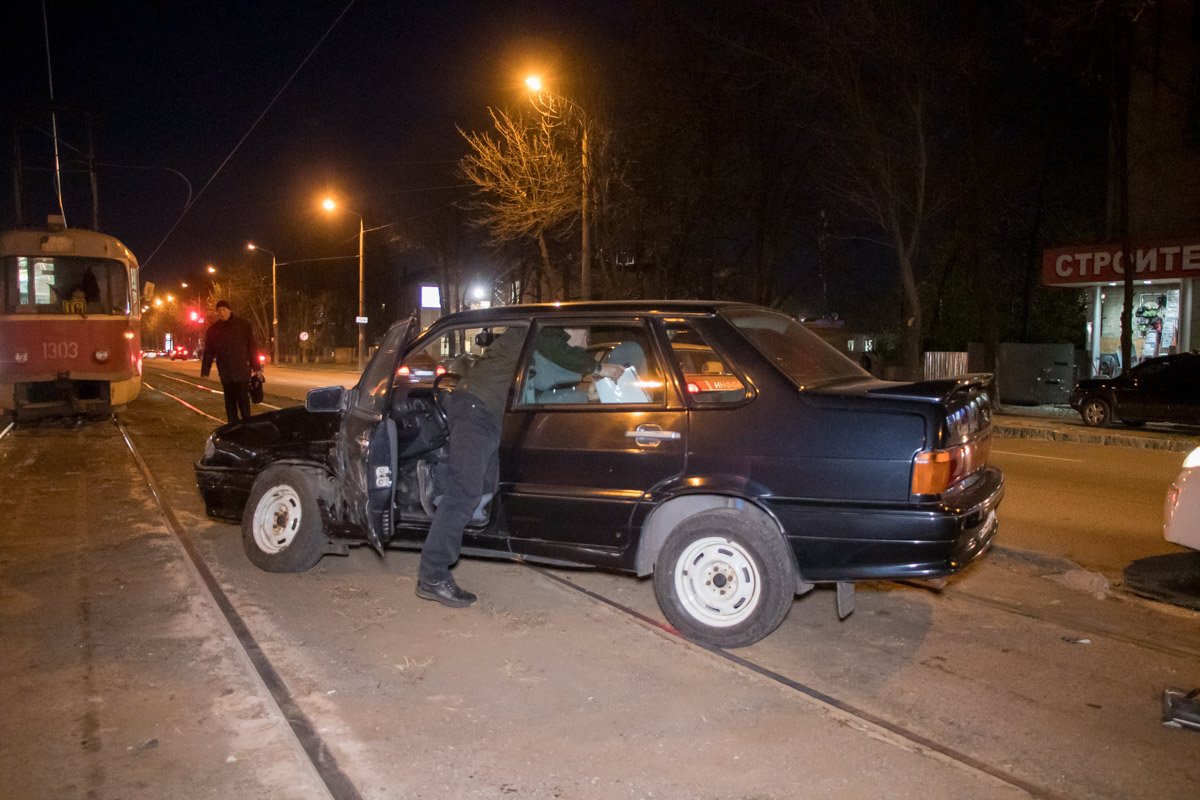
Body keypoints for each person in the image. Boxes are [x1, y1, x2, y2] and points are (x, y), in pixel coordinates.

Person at [415, 326, 624, 608]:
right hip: (477, 409)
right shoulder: (546, 329)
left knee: (486, 484)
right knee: (465, 491)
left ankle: (440, 481)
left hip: (488, 413)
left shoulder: (537, 342)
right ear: (573, 329)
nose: (583, 347)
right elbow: (561, 353)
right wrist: (598, 367)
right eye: (585, 338)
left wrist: (585, 390)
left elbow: (544, 382)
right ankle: (432, 575)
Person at [201, 300, 259, 423]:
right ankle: (232, 426)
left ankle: (247, 427)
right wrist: (205, 370)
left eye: (224, 309)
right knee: (230, 402)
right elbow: (209, 351)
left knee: (243, 401)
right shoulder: (213, 330)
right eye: (219, 310)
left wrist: (256, 367)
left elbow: (251, 347)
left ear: (230, 310)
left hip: (241, 371)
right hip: (225, 372)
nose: (222, 313)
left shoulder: (243, 325)